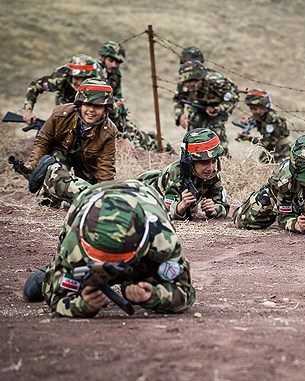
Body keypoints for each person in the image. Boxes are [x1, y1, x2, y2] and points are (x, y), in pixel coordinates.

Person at [21, 179, 196, 318]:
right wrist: (81, 305)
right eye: (101, 257)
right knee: (34, 292)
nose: (108, 265)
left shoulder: (163, 240)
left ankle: (132, 275)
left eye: (118, 259)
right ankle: (59, 267)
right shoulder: (73, 240)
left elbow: (185, 293)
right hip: (91, 197)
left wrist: (153, 296)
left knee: (146, 281)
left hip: (144, 197)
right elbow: (55, 294)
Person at [23, 78, 118, 207]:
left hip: (87, 168)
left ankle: (75, 199)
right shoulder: (60, 114)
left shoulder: (109, 131)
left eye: (97, 106)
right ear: (80, 105)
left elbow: (105, 167)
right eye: (87, 104)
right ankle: (55, 196)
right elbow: (43, 141)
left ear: (106, 109)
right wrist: (32, 166)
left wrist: (106, 196)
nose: (91, 110)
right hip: (60, 158)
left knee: (94, 198)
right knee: (49, 200)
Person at [232, 133, 305, 237]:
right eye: (304, 178)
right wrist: (295, 224)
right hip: (287, 197)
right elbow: (284, 215)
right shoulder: (283, 181)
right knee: (243, 221)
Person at [137, 128, 230, 221]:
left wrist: (214, 210)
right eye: (204, 163)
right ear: (191, 162)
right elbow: (164, 211)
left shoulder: (212, 174)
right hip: (143, 195)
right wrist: (181, 206)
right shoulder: (176, 174)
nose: (210, 168)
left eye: (214, 161)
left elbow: (223, 205)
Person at [173, 60, 239, 155]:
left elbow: (232, 99)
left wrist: (218, 109)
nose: (188, 85)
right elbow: (178, 99)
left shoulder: (216, 82)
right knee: (194, 129)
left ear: (200, 79)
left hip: (219, 106)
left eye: (192, 81)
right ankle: (192, 156)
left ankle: (222, 158)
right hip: (199, 104)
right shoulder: (183, 85)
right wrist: (180, 115)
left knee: (216, 130)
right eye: (186, 81)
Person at [22, 53, 106, 125]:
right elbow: (35, 87)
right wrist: (28, 110)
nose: (80, 83)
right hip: (66, 98)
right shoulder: (59, 78)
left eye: (84, 78)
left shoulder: (98, 81)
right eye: (76, 78)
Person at [235, 89, 291, 163]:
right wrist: (247, 122)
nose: (253, 111)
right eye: (251, 109)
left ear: (263, 107)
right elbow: (255, 120)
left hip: (281, 153)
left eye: (255, 109)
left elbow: (268, 143)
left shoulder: (272, 119)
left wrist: (250, 138)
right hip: (272, 151)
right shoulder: (262, 115)